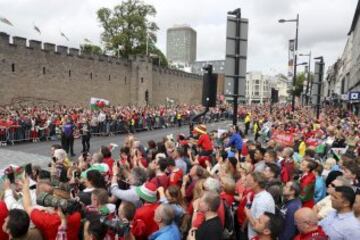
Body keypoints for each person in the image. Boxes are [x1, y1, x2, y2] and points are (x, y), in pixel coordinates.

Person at [245, 172, 275, 239]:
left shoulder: (262, 200)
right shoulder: (260, 195)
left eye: (249, 180)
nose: (246, 182)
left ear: (256, 183)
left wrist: (247, 213)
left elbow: (260, 227)